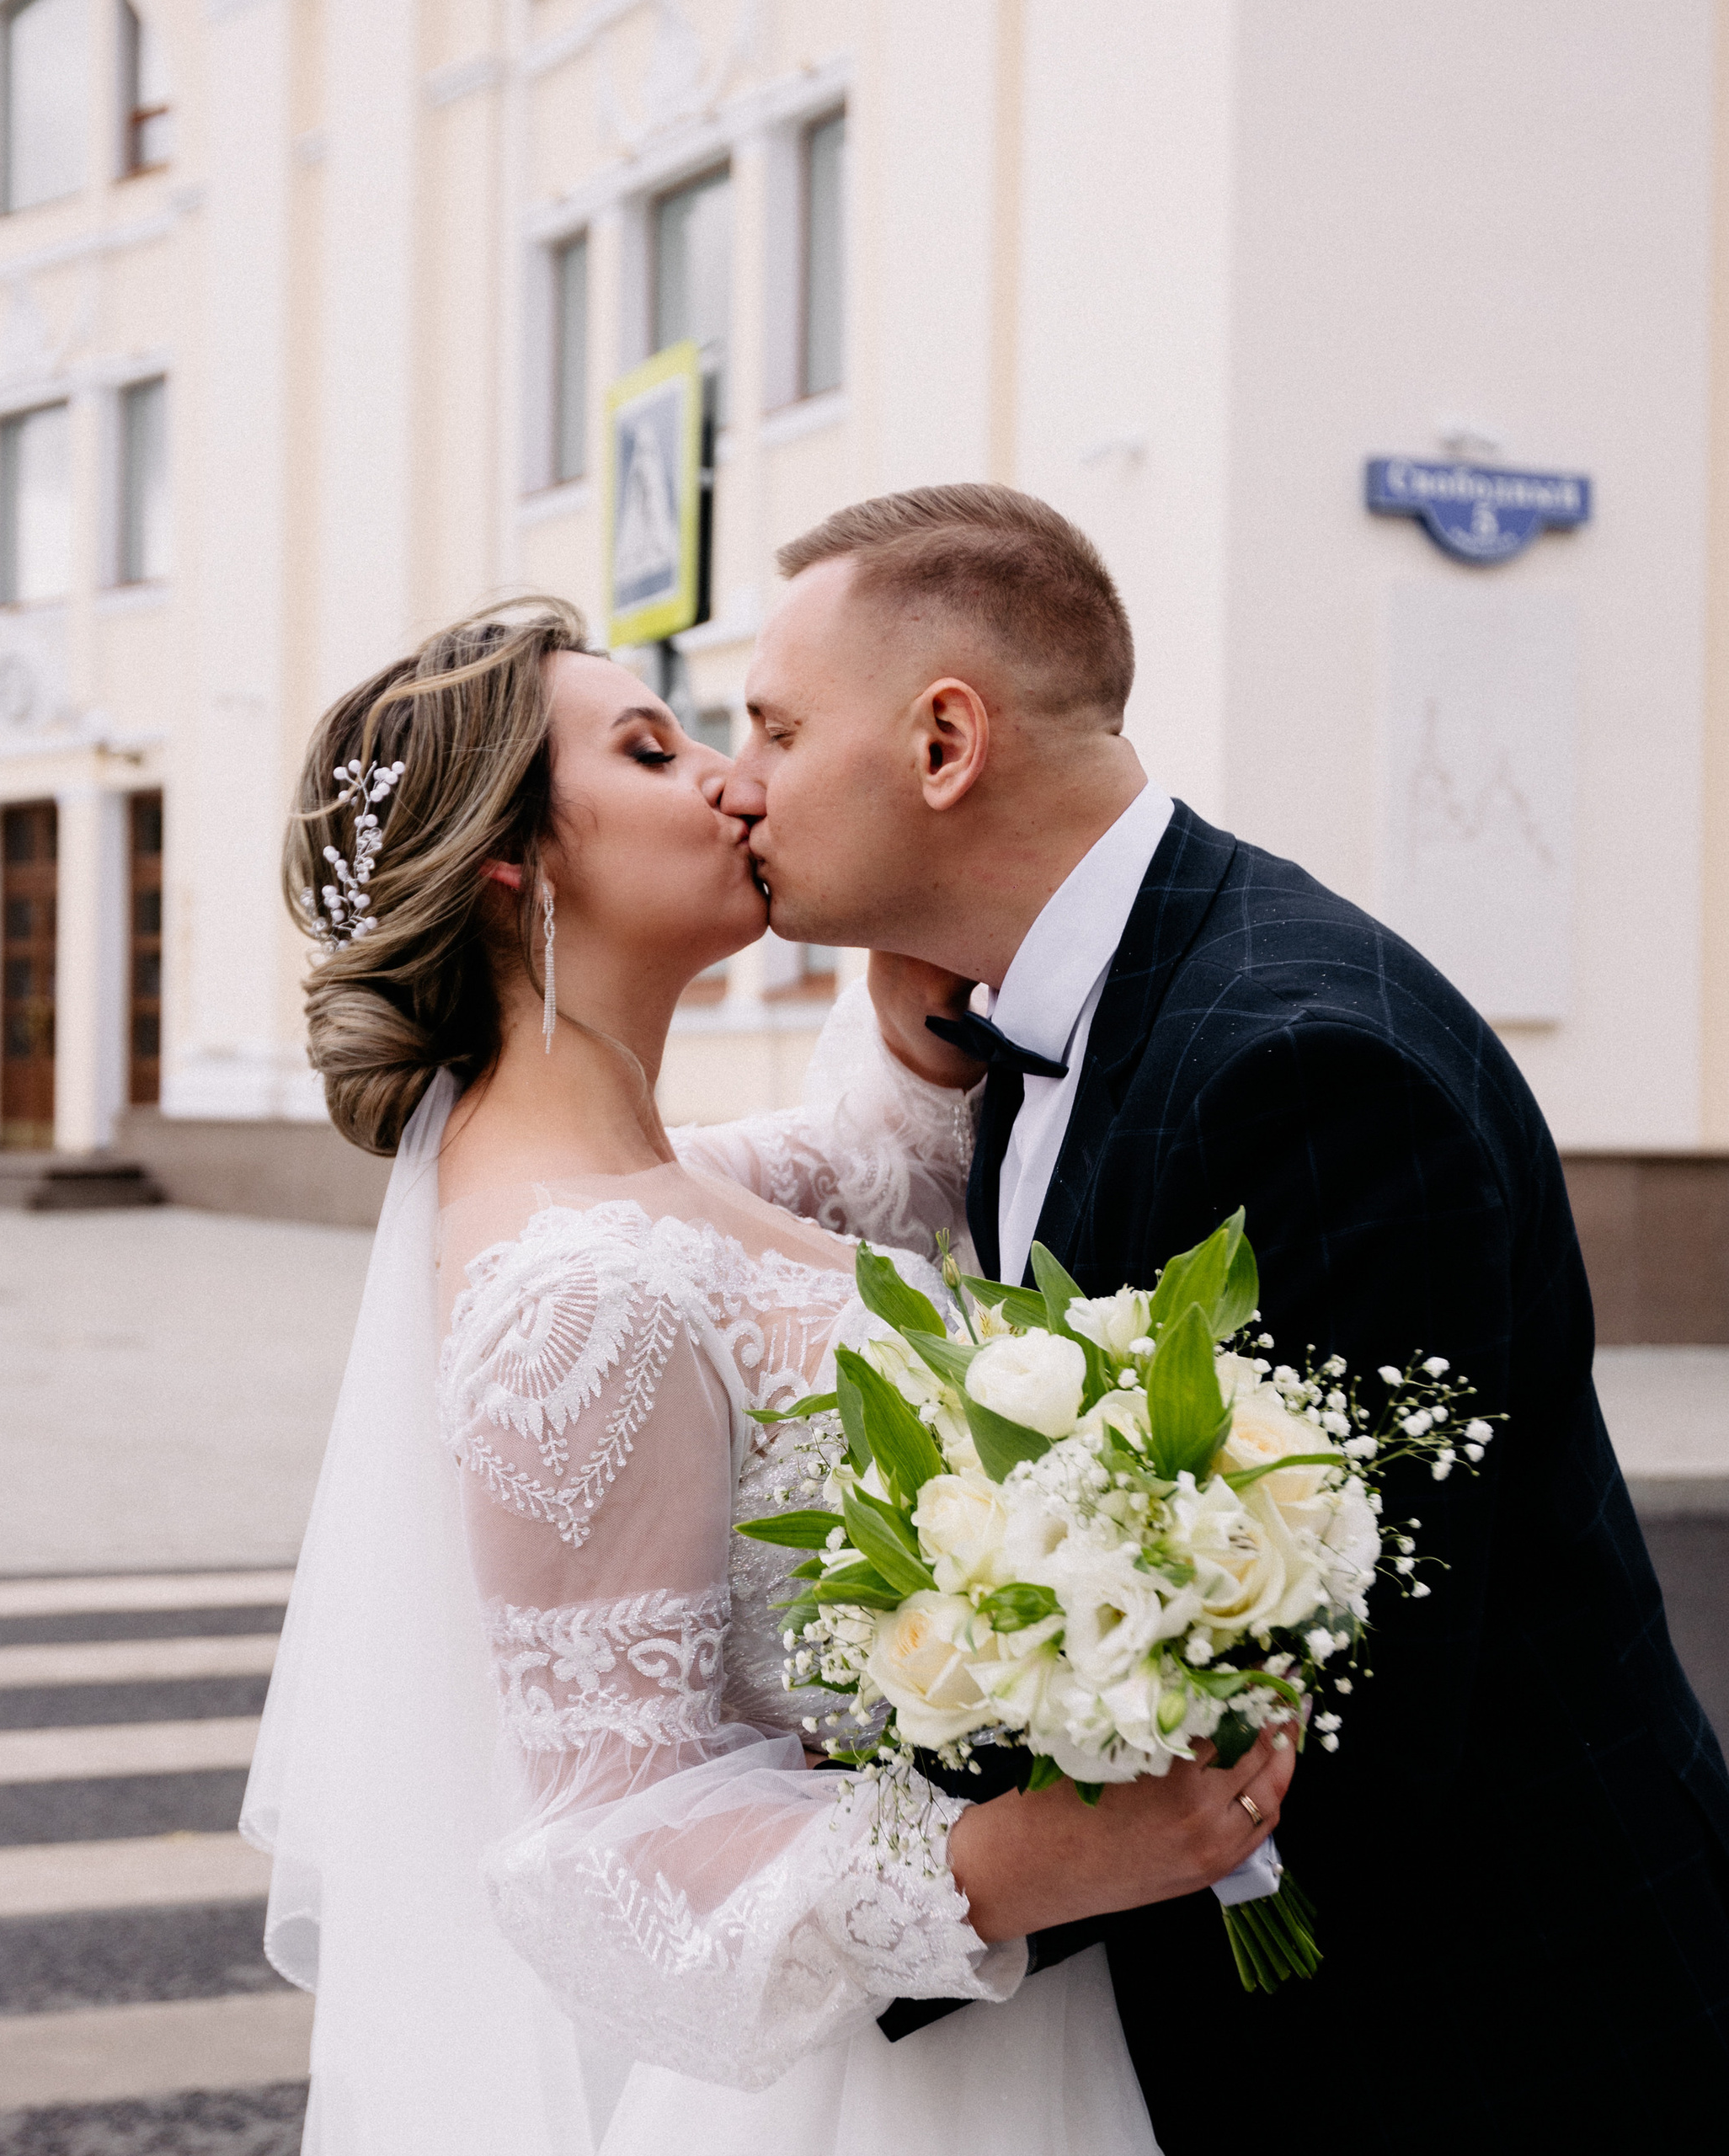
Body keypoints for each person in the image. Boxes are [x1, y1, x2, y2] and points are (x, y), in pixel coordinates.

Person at [722, 483, 1729, 2149]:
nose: (739, 781)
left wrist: (847, 1910)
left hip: (1483, 2038)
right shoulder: (1036, 1012)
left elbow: (1333, 1714)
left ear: (944, 743)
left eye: (772, 726)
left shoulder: (1303, 1068)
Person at [241, 602, 1291, 2154]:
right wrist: (1022, 1863)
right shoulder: (573, 1299)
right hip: (893, 2083)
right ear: (510, 863)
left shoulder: (661, 1183)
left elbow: (890, 1172)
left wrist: (918, 962)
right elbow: (604, 1849)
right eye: (651, 751)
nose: (734, 780)